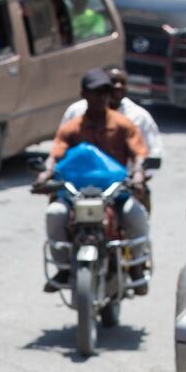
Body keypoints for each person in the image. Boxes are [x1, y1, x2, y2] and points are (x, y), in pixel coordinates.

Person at [37, 69, 150, 291]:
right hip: (76, 194)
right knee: (54, 214)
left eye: (105, 92)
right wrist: (44, 174)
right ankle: (63, 267)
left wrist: (137, 174)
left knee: (136, 215)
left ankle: (135, 265)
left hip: (114, 193)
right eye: (95, 92)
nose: (101, 97)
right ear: (83, 94)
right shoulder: (72, 128)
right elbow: (55, 155)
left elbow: (139, 154)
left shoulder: (123, 125)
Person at [59, 66, 163, 177]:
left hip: (121, 184)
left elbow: (149, 152)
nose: (118, 86)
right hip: (79, 181)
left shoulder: (136, 118)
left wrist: (138, 176)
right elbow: (60, 148)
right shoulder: (76, 112)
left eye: (122, 82)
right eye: (113, 82)